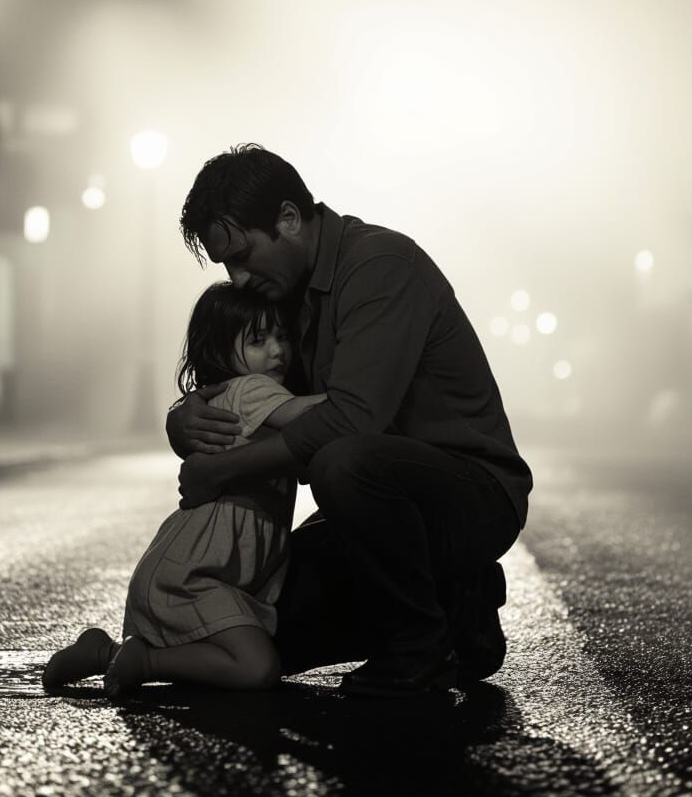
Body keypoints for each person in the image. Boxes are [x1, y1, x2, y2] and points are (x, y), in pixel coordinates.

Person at [167, 143, 533, 698]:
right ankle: (461, 606)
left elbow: (350, 421)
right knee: (257, 628)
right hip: (373, 512)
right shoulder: (283, 294)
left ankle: (417, 654)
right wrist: (182, 420)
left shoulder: (381, 266)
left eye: (242, 255)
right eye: (226, 267)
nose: (237, 278)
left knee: (344, 460)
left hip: (473, 496)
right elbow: (254, 398)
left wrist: (221, 470)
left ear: (289, 218)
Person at [42, 282, 325, 698]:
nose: (277, 351)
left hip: (204, 571)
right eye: (258, 340)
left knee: (238, 658)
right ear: (219, 350)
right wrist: (363, 395)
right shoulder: (250, 390)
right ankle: (146, 662)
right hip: (195, 574)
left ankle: (104, 653)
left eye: (282, 337)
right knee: (257, 667)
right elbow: (311, 414)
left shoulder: (250, 394)